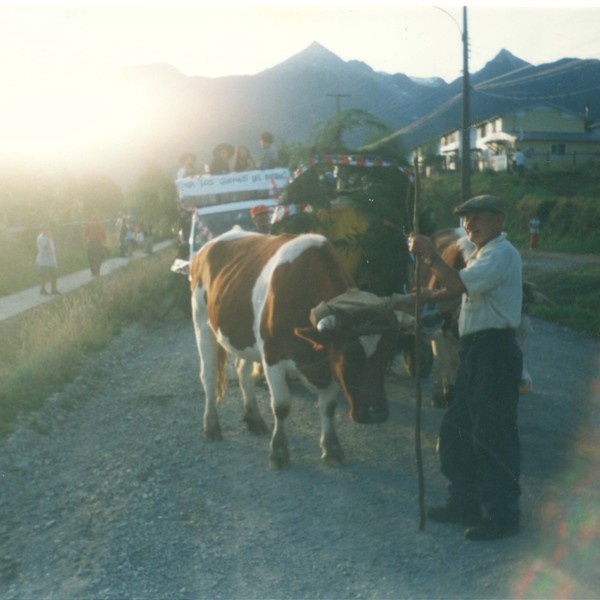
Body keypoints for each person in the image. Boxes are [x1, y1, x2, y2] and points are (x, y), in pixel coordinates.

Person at [408, 194, 523, 541]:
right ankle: (465, 502)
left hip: (494, 351)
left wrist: (429, 254)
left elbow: (457, 284)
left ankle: (502, 515)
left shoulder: (502, 254)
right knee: (456, 430)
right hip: (474, 351)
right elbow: (458, 291)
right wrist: (421, 298)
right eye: (466, 219)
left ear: (499, 220)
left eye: (478, 218)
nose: (470, 224)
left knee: (492, 436)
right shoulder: (480, 255)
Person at [35, 224, 60, 295]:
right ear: (42, 230)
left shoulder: (49, 237)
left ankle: (54, 289)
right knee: (43, 275)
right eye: (45, 229)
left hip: (51, 259)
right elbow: (45, 247)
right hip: (44, 259)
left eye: (47, 229)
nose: (47, 231)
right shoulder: (41, 238)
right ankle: (43, 290)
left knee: (54, 274)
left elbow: (52, 247)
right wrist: (49, 238)